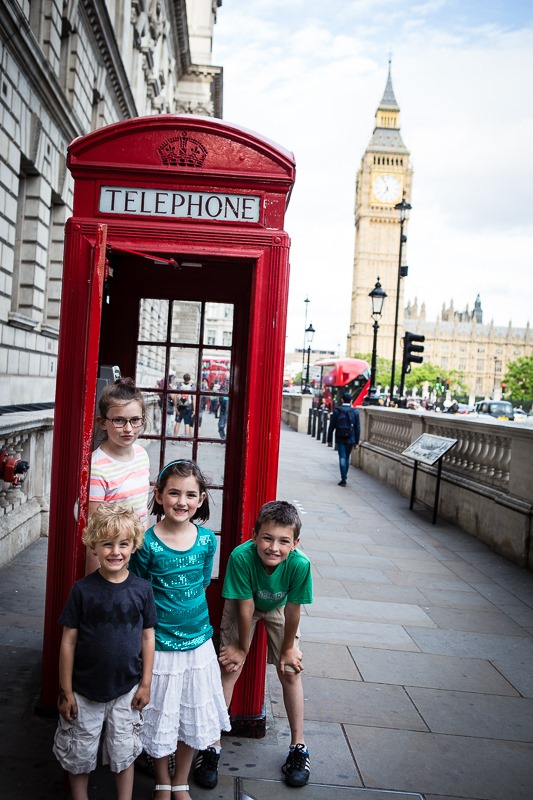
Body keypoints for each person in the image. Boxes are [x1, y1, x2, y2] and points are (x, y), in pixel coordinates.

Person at [193, 500, 313, 790]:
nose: (274, 547)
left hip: (280, 605)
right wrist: (241, 648)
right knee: (230, 667)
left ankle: (299, 747)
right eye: (267, 538)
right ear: (254, 536)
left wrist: (288, 649)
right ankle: (211, 746)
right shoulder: (241, 557)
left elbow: (294, 610)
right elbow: (245, 606)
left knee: (290, 671)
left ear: (295, 543)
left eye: (283, 541)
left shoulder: (300, 564)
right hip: (242, 604)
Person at [129, 460, 231, 800]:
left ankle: (181, 780)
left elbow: (202, 582)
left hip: (198, 645)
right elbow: (140, 591)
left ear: (201, 499)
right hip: (159, 646)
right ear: (159, 496)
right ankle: (162, 779)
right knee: (159, 717)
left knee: (193, 714)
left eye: (190, 495)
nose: (181, 501)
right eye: (173, 493)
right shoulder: (147, 543)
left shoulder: (206, 540)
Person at [53, 504, 157, 800]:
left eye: (123, 544)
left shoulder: (142, 590)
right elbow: (68, 641)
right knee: (79, 750)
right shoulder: (82, 590)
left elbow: (148, 637)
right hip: (84, 689)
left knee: (124, 751)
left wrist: (146, 683)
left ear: (134, 546)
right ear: (94, 546)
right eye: (107, 544)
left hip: (127, 689)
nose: (115, 551)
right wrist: (65, 691)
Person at [87, 377, 150, 572]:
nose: (128, 429)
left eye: (135, 420)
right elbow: (94, 530)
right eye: (119, 420)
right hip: (114, 556)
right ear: (102, 422)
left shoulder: (142, 454)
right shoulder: (97, 467)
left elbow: (142, 510)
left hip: (139, 550)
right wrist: (95, 580)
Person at [327, 392, 361, 486]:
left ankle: (343, 479)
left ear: (342, 400)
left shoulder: (337, 411)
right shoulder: (355, 412)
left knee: (342, 456)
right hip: (351, 438)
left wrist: (329, 439)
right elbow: (357, 428)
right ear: (351, 401)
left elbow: (331, 426)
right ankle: (344, 476)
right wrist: (356, 442)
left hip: (340, 437)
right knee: (347, 457)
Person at [173, 373, 195, 437]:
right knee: (187, 423)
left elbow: (175, 396)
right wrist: (194, 409)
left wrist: (175, 407)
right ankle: (186, 439)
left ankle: (174, 438)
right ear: (189, 379)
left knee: (177, 422)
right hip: (188, 407)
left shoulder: (179, 385)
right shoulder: (192, 386)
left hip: (180, 407)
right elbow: (194, 399)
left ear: (183, 378)